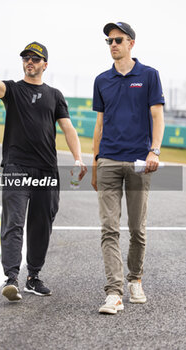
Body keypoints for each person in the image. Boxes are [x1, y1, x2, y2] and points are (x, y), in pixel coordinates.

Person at [0, 42, 87, 302]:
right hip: (16, 166)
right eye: (26, 58)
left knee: (41, 224)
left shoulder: (55, 95)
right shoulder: (13, 90)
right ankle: (11, 277)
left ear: (45, 64)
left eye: (35, 59)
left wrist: (79, 158)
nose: (30, 62)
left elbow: (68, 129)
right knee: (13, 221)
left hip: (46, 168)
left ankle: (33, 276)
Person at [92, 22, 165, 314]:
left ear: (131, 43)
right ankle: (114, 292)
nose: (112, 44)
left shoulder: (149, 75)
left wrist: (155, 151)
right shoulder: (101, 79)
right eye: (109, 40)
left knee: (137, 229)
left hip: (139, 162)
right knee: (109, 229)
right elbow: (99, 125)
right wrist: (95, 163)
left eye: (118, 39)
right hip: (108, 159)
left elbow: (157, 116)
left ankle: (135, 278)